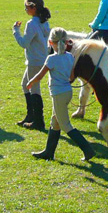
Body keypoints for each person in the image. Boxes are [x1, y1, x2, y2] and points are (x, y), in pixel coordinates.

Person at [27, 28, 95, 161]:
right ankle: (48, 152)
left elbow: (40, 76)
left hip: (58, 94)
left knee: (65, 125)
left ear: (50, 42)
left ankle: (88, 150)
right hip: (67, 92)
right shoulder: (70, 56)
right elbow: (71, 76)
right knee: (55, 122)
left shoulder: (51, 59)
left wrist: (30, 82)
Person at [13, 0, 51, 130]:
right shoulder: (44, 21)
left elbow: (24, 43)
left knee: (34, 88)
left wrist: (16, 31)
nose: (25, 10)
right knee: (25, 84)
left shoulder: (32, 24)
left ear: (33, 8)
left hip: (35, 61)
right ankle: (31, 115)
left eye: (26, 7)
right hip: (42, 58)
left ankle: (38, 121)